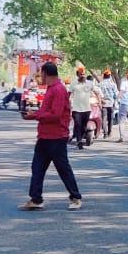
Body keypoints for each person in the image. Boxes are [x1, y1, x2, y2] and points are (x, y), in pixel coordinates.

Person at [19, 62, 82, 211]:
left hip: (57, 137)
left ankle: (75, 198)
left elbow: (56, 114)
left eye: (41, 73)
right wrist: (35, 116)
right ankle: (36, 199)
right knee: (37, 168)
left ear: (46, 73)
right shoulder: (51, 89)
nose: (40, 76)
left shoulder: (58, 90)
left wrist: (35, 116)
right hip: (44, 137)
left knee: (63, 169)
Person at [69, 67, 96, 150]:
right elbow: (68, 93)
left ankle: (79, 138)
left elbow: (96, 92)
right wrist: (65, 103)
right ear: (78, 75)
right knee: (77, 125)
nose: (83, 76)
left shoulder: (90, 83)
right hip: (76, 109)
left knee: (84, 126)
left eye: (84, 74)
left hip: (87, 109)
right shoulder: (74, 83)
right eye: (81, 74)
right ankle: (79, 141)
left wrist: (100, 101)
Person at [99, 70, 118, 138]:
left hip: (103, 103)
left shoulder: (100, 84)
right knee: (110, 119)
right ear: (110, 76)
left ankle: (105, 133)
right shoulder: (113, 84)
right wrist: (115, 102)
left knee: (104, 118)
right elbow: (116, 94)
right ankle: (110, 132)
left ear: (104, 75)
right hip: (111, 104)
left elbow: (98, 94)